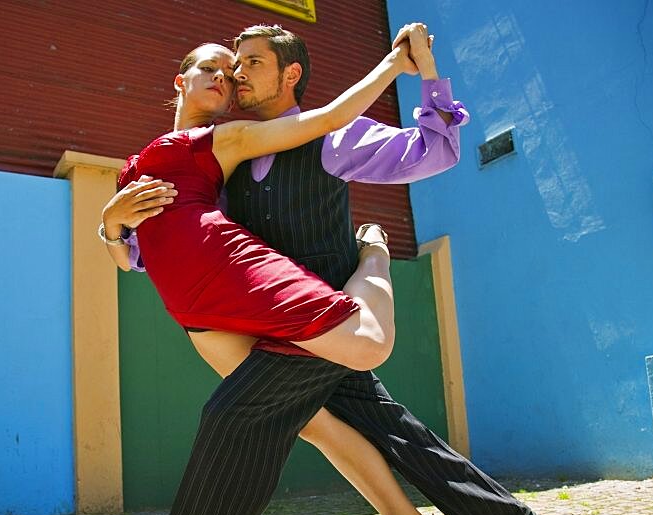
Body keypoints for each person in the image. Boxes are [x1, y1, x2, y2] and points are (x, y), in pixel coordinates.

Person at [108, 24, 572, 515]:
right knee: (389, 428)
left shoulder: (335, 135)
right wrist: (113, 227)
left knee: (234, 419)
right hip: (275, 322)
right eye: (230, 65)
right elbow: (162, 244)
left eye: (250, 64)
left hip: (324, 319)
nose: (237, 76)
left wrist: (427, 75)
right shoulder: (226, 157)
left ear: (290, 74)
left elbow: (434, 151)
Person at [103, 30, 426, 372]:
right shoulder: (144, 163)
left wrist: (392, 64)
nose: (221, 77)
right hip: (193, 307)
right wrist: (111, 222)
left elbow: (331, 118)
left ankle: (373, 251)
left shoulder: (230, 144)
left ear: (231, 101)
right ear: (180, 81)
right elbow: (129, 261)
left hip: (245, 285)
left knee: (360, 351)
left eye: (229, 77)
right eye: (209, 67)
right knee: (309, 421)